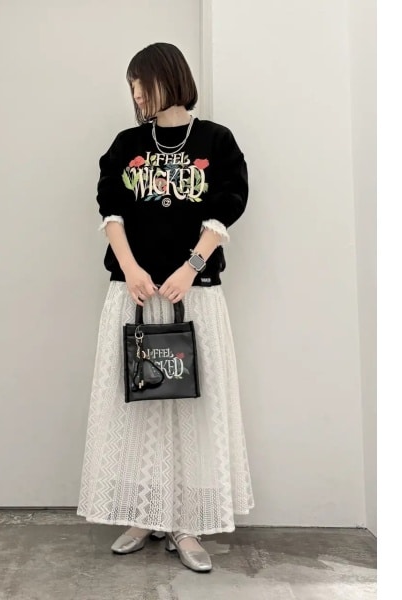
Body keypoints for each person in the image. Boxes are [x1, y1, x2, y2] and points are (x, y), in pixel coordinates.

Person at [77, 42, 254, 573]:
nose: (135, 94)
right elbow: (110, 209)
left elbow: (228, 205)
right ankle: (144, 514)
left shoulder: (216, 141)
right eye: (131, 86)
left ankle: (186, 524)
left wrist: (190, 267)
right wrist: (131, 269)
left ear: (167, 79)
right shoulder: (127, 144)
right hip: (134, 297)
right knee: (140, 406)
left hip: (192, 297)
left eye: (141, 83)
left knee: (190, 407)